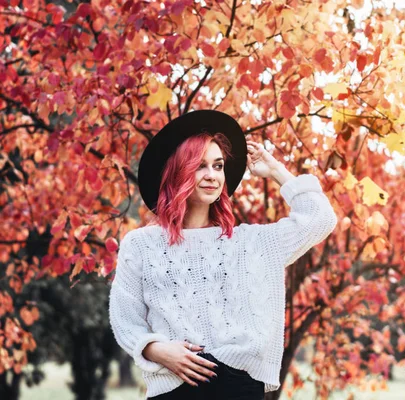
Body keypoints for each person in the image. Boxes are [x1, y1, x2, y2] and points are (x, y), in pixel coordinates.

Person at [108, 110, 338, 399]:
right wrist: (157, 350)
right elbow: (125, 318)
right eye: (200, 165)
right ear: (178, 171)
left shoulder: (249, 243)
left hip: (238, 388)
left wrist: (276, 170)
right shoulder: (141, 245)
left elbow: (320, 219)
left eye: (218, 166)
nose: (212, 175)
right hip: (175, 386)